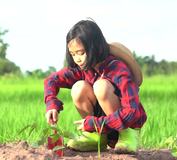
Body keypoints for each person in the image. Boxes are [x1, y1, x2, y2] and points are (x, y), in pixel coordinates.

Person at [44, 19, 147, 153]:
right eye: (73, 54)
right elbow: (51, 80)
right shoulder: (83, 69)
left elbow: (132, 112)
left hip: (125, 124)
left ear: (94, 47)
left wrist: (96, 123)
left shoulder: (117, 68)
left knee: (101, 86)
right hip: (100, 126)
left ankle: (126, 135)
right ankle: (95, 136)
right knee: (78, 88)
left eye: (81, 53)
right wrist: (51, 104)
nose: (77, 59)